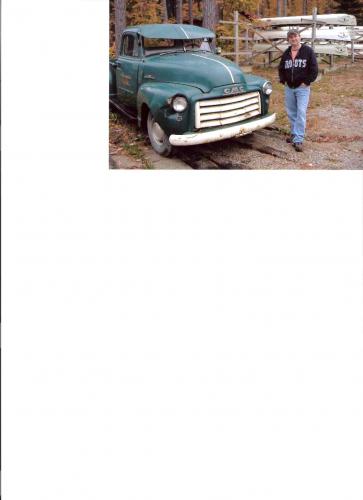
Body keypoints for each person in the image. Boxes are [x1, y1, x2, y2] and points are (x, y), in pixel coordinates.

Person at [278, 29, 318, 152]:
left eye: (295, 36)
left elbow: (314, 69)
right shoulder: (286, 53)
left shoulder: (308, 51)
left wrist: (306, 82)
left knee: (301, 112)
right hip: (289, 88)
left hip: (302, 88)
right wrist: (283, 80)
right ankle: (294, 134)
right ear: (288, 40)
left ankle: (298, 139)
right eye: (291, 37)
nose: (293, 39)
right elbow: (281, 68)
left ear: (299, 37)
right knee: (291, 112)